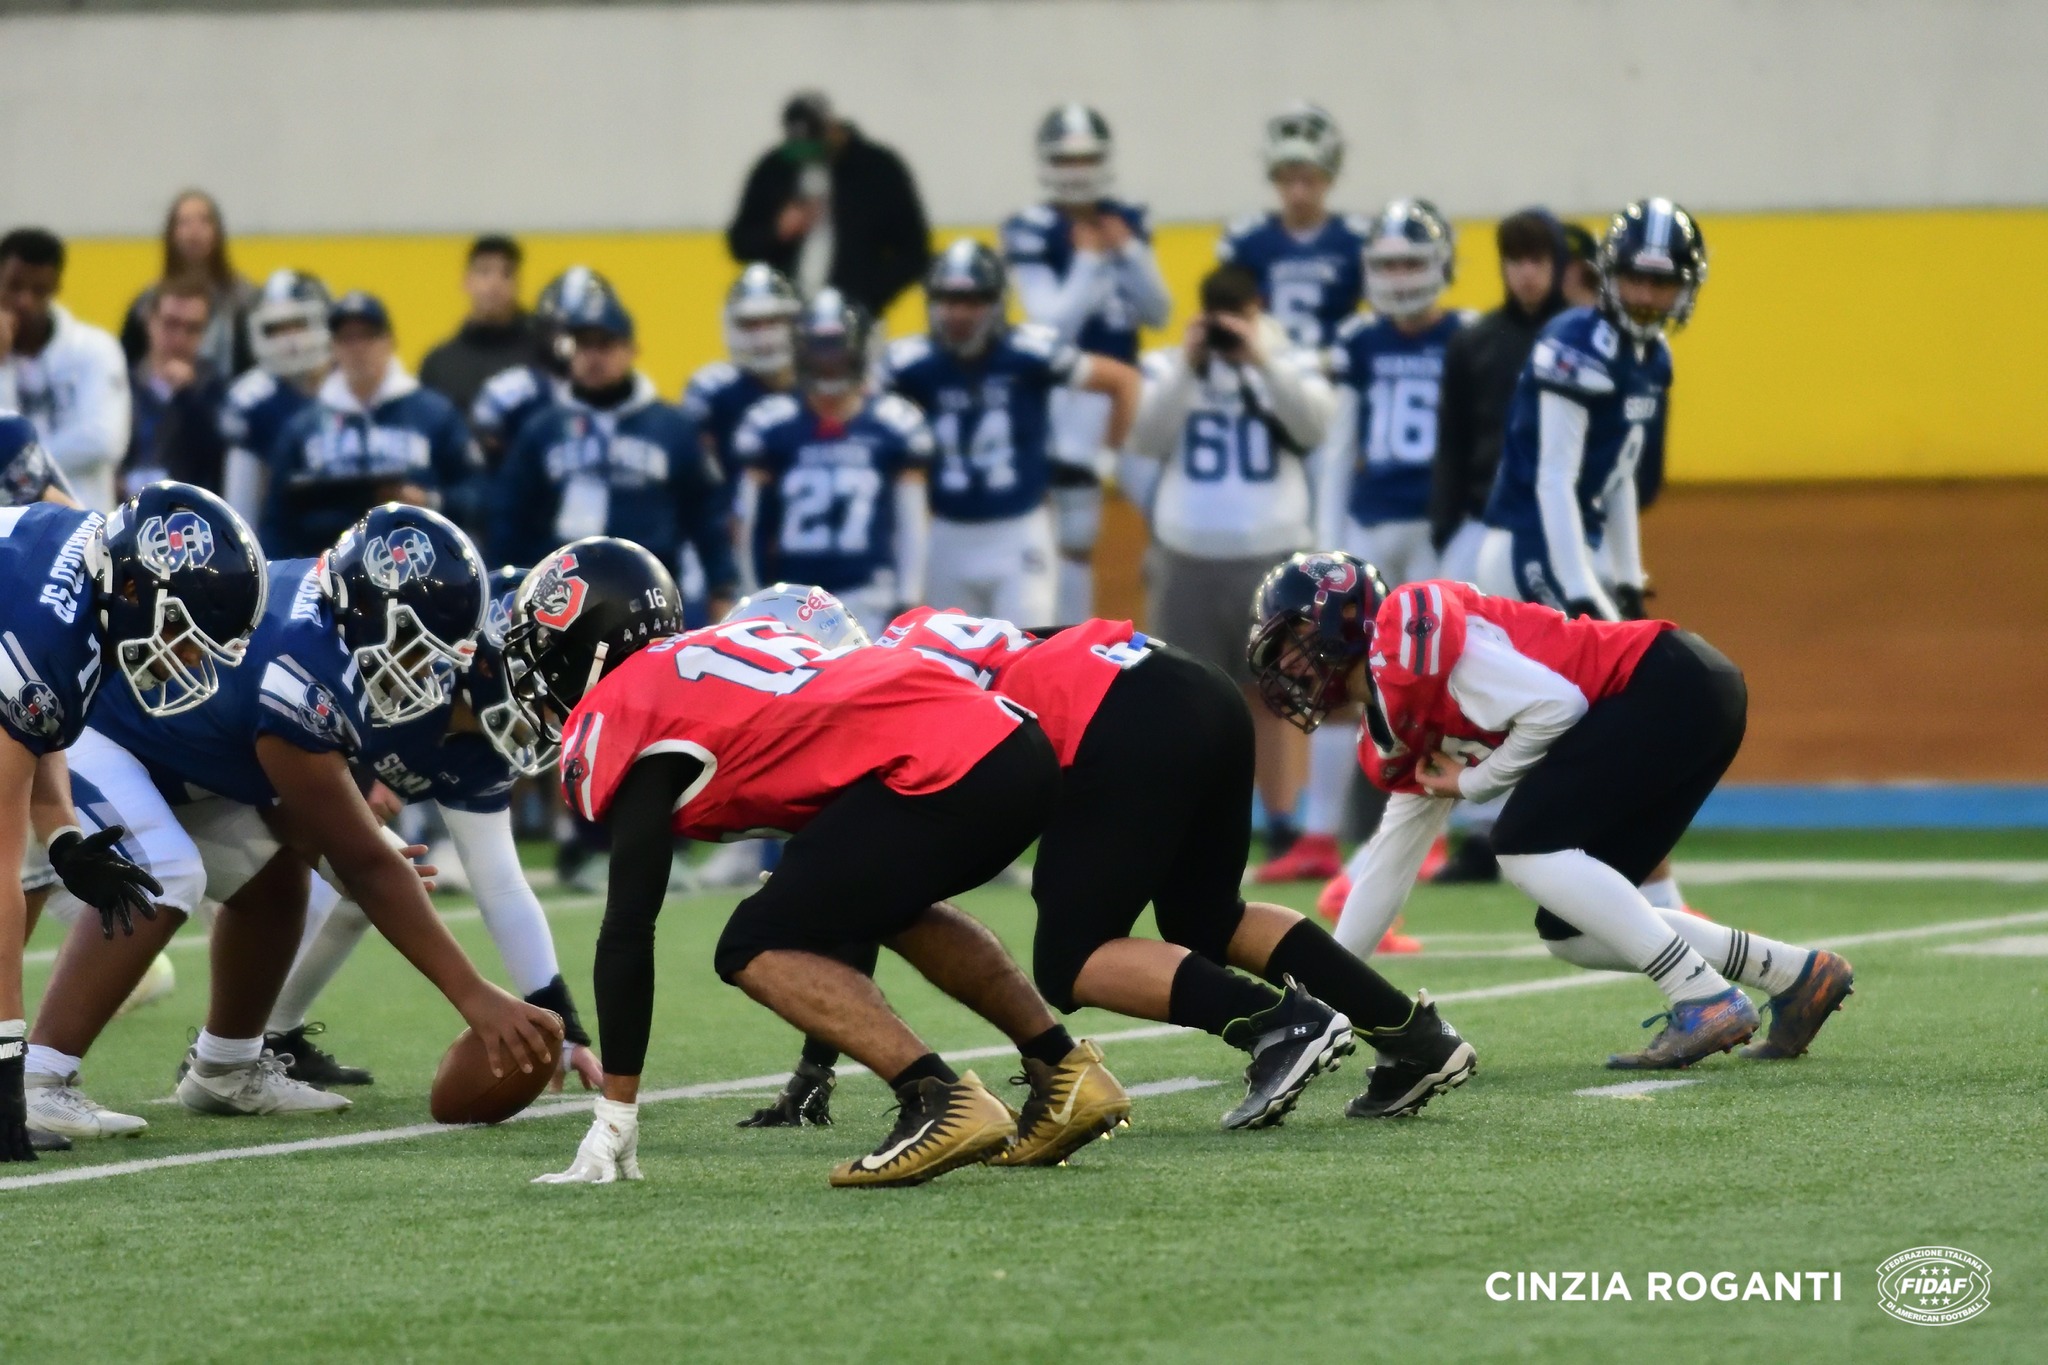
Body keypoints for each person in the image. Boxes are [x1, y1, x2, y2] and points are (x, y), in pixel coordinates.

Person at [507, 540, 1123, 1187]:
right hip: (1010, 740)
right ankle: (1065, 1071)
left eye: (545, 653)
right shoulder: (726, 649)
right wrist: (814, 1064)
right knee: (889, 910)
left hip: (947, 765)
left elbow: (629, 927)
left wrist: (615, 1116)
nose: (539, 676)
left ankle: (936, 1099)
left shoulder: (629, 702)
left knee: (751, 945)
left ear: (590, 644)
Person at [755, 595, 1476, 1141]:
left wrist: (815, 1069)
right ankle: (1413, 1037)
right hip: (1188, 684)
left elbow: (857, 895)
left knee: (1071, 960)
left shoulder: (865, 690)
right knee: (1206, 916)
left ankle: (1277, 1024)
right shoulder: (921, 626)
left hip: (1118, 721)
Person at [23, 505, 562, 1138]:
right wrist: (474, 994)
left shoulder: (332, 621)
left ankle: (225, 1065)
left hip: (173, 748)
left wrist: (357, 852)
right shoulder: (304, 670)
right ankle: (41, 1077)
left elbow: (301, 817)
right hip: (91, 730)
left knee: (275, 879)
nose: (428, 674)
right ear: (374, 612)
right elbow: (362, 863)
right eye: (420, 651)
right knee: (163, 868)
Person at [1249, 553, 1855, 1068]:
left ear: (1342, 613)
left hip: (1663, 681)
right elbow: (1387, 868)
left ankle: (1700, 996)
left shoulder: (1408, 635)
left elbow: (1557, 705)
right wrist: (1326, 1000)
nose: (1288, 664)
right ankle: (1796, 975)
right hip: (1683, 697)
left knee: (1524, 846)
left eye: (1291, 637)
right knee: (1572, 932)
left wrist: (1477, 780)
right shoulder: (1392, 728)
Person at [251, 569, 602, 1092]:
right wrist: (353, 784)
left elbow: (502, 885)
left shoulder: (483, 750)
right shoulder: (399, 662)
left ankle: (271, 1037)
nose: (551, 715)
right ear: (488, 664)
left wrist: (563, 1027)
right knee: (349, 861)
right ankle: (232, 1044)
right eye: (543, 691)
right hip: (232, 764)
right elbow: (298, 709)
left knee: (380, 870)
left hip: (276, 786)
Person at [3, 459, 243, 1160]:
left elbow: (41, 729)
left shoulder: (93, 571)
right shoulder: (50, 633)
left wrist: (64, 838)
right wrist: (5, 1072)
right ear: (138, 592)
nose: (188, 658)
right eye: (186, 631)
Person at [1273, 201, 1473, 892]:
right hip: (1370, 522)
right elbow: (1337, 448)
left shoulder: (1465, 337)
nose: (1400, 276)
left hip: (1439, 524)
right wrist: (1325, 546)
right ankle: (1319, 835)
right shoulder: (1360, 339)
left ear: (1442, 264)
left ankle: (1432, 836)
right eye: (1388, 263)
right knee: (1336, 671)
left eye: (1413, 262)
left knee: (1435, 681)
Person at [1122, 264, 1331, 881]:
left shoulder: (1290, 360)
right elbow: (1145, 438)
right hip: (1188, 550)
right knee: (1187, 695)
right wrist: (1189, 366)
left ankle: (1284, 823)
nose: (1226, 324)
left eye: (1236, 311)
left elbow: (1315, 426)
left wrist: (1259, 360)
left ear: (1257, 308)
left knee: (1278, 692)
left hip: (1274, 550)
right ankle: (1192, 818)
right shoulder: (1169, 365)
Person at [884, 239, 1139, 624]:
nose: (959, 313)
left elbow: (1122, 381)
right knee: (950, 654)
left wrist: (1108, 459)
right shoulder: (910, 364)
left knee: (1028, 645)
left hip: (1018, 531)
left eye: (972, 301)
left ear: (996, 302)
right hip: (946, 534)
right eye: (948, 300)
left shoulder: (1028, 352)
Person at [1002, 104, 1171, 621]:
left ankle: (1164, 624)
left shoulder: (1126, 219)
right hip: (1070, 393)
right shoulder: (1031, 228)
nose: (1077, 172)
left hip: (1131, 390)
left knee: (1169, 516)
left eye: (1086, 159)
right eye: (1066, 160)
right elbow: (1050, 325)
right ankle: (1072, 643)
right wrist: (1090, 260)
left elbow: (1159, 312)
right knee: (1075, 534)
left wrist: (1131, 253)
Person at [493, 283, 736, 610]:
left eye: (605, 345)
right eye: (584, 346)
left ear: (631, 350)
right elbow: (510, 516)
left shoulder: (672, 428)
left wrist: (721, 587)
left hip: (651, 593)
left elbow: (706, 515)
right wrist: (508, 589)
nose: (593, 357)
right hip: (560, 597)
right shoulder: (542, 429)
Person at [731, 290, 930, 638]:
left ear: (859, 352)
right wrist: (753, 594)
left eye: (837, 350)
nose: (828, 362)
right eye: (818, 351)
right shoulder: (771, 423)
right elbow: (747, 524)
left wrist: (908, 597)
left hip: (869, 595)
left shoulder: (894, 423)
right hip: (792, 598)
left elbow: (912, 519)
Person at [263, 291, 484, 558]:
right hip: (324, 565)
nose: (357, 348)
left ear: (389, 342)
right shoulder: (303, 428)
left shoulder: (435, 414)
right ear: (334, 348)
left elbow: (479, 495)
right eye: (346, 338)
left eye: (367, 336)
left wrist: (429, 501)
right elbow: (277, 519)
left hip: (418, 558)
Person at [1432, 210, 1569, 588]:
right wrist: (1445, 526)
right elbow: (1452, 440)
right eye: (1516, 260)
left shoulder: (1582, 340)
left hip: (1564, 526)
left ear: (1557, 264)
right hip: (1483, 523)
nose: (1527, 272)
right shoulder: (1473, 342)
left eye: (1537, 260)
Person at [724, 91, 932, 316]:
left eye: (814, 145)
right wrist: (776, 232)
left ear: (833, 128)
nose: (808, 155)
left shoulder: (878, 170)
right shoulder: (775, 169)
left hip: (855, 313)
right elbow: (740, 244)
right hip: (787, 314)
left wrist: (869, 296)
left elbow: (913, 251)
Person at [1216, 103, 1368, 349]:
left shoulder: (1356, 239)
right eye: (1287, 180)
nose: (1298, 193)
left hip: (1334, 363)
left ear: (1328, 179)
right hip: (1266, 363)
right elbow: (1229, 316)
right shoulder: (1248, 241)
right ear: (1274, 180)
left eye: (1308, 180)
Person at [0, 228, 131, 510]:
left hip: (85, 521)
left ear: (56, 287)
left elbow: (104, 439)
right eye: (14, 286)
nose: (25, 301)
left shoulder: (94, 348)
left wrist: (16, 459)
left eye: (38, 290)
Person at [218, 270, 333, 526]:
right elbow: (240, 505)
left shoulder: (354, 384)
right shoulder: (251, 399)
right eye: (275, 329)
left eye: (298, 324)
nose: (289, 340)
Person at [469, 265, 610, 468]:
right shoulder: (509, 393)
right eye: (569, 334)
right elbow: (481, 470)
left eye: (595, 340)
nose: (585, 351)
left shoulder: (628, 401)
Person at [119, 191, 256, 381]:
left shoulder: (245, 300)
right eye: (184, 222)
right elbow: (127, 366)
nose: (194, 231)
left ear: (218, 231)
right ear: (171, 234)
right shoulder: (146, 302)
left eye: (204, 221)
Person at [125, 275, 229, 496]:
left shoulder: (214, 390)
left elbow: (214, 461)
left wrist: (188, 398)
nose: (180, 338)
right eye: (171, 324)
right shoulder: (122, 383)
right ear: (149, 321)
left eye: (192, 328)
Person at [419, 235, 542, 416]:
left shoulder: (541, 356)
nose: (495, 284)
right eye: (484, 272)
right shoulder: (439, 364)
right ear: (467, 282)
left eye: (506, 274)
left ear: (518, 284)